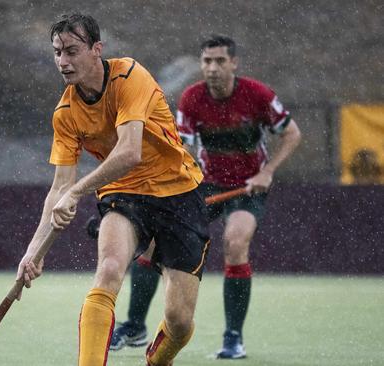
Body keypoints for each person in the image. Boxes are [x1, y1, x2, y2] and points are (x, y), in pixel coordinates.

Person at [16, 13, 211, 366]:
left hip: (179, 191)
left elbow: (129, 152)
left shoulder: (128, 76)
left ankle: (158, 359)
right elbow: (59, 187)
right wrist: (34, 252)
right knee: (108, 270)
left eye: (72, 51)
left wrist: (77, 193)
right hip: (123, 193)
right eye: (57, 52)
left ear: (96, 49)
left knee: (180, 322)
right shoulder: (65, 113)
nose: (63, 61)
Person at [108, 35, 302, 359]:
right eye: (207, 61)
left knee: (236, 242)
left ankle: (233, 338)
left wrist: (267, 172)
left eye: (220, 61)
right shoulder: (192, 98)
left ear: (234, 63)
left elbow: (292, 133)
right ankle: (135, 325)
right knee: (153, 243)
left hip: (247, 186)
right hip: (205, 185)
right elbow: (180, 147)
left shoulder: (257, 95)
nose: (212, 68)